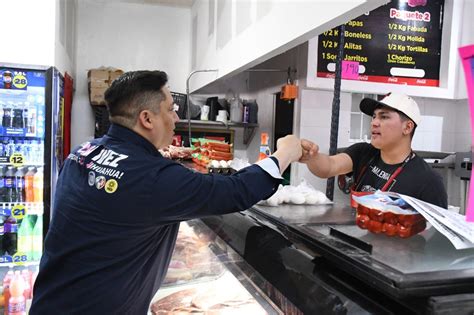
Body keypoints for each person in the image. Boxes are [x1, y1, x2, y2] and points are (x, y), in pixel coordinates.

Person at [30, 70, 303, 314]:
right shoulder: (152, 177)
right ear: (147, 118)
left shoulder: (83, 152)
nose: (176, 118)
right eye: (171, 109)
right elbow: (237, 191)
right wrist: (285, 153)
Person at [300, 92, 448, 208]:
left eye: (384, 117)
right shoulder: (363, 152)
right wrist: (311, 156)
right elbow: (329, 166)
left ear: (407, 127)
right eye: (374, 117)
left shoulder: (428, 181)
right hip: (359, 241)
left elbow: (437, 234)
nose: (374, 123)